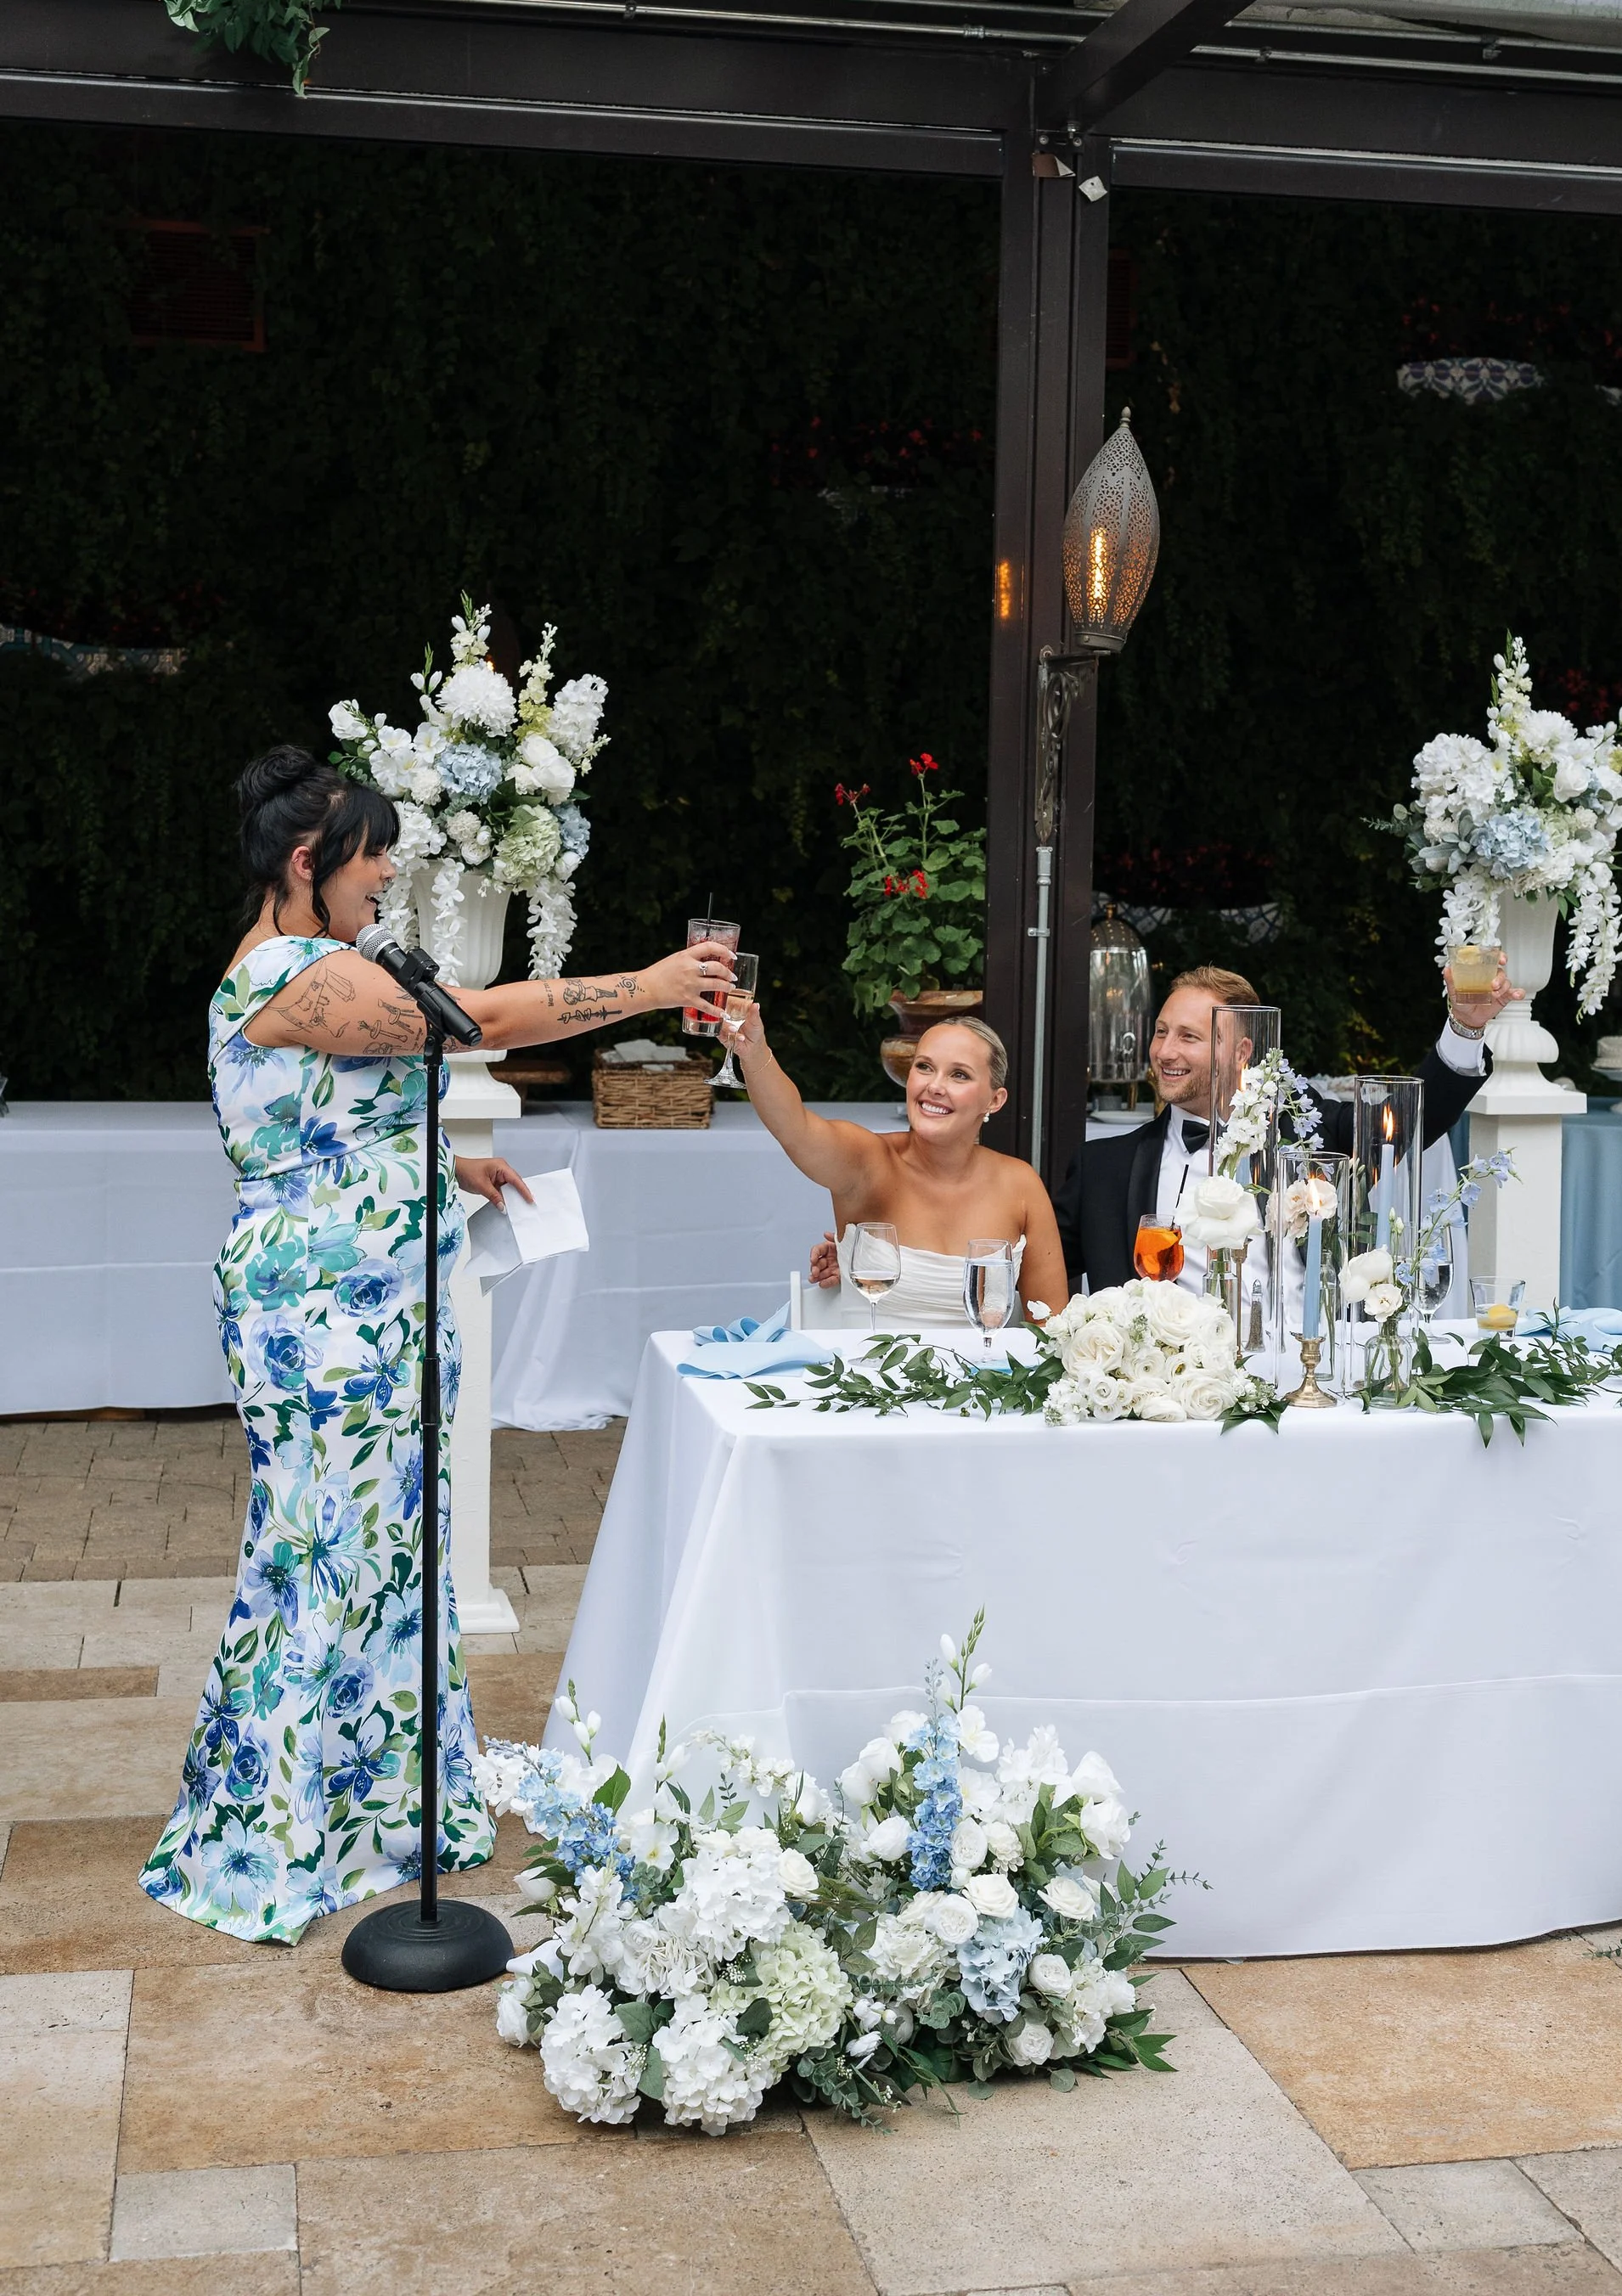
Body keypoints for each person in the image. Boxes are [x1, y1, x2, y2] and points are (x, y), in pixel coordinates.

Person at [141, 745, 737, 1943]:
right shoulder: (293, 972)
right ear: (309, 862)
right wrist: (654, 983)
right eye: (374, 857)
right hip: (327, 1325)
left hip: (380, 1302)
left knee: (384, 1563)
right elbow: (482, 1022)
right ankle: (277, 1835)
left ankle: (378, 1812)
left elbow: (317, 1128)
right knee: (322, 1564)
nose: (390, 876)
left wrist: (439, 1166)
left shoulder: (322, 966)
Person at [1053, 958, 1521, 1297]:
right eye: (1161, 1031)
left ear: (1242, 1054)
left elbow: (1410, 1122)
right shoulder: (1103, 1168)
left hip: (1302, 1380)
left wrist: (1464, 1026)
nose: (1165, 1052)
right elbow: (1035, 1264)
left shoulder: (1312, 1139)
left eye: (1189, 1037)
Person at [730, 1002, 1068, 1325]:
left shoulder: (1020, 1185)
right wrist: (754, 1049)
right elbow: (795, 1127)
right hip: (869, 1378)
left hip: (982, 1381)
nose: (934, 1086)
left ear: (994, 1101)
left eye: (959, 1075)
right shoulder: (868, 1161)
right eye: (924, 1067)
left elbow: (1050, 1326)